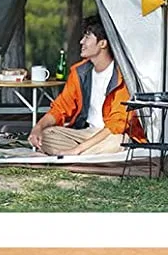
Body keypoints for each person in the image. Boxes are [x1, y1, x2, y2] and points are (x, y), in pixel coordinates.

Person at [28, 15, 144, 156]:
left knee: (120, 140)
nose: (81, 41)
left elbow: (116, 125)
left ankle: (71, 155)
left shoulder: (123, 76)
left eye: (87, 37)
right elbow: (60, 108)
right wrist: (37, 128)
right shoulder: (80, 72)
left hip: (109, 135)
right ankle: (81, 155)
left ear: (103, 43)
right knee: (46, 134)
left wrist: (78, 149)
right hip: (85, 134)